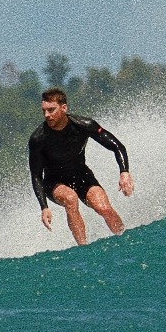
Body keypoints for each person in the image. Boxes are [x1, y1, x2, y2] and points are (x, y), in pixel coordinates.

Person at [28, 87, 134, 245]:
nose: (47, 115)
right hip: (54, 182)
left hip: (81, 175)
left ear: (64, 108)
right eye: (44, 110)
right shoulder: (38, 138)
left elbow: (117, 146)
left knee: (104, 208)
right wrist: (44, 206)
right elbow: (36, 175)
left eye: (51, 110)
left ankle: (125, 239)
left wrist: (124, 172)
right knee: (70, 198)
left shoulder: (84, 125)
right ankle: (83, 248)